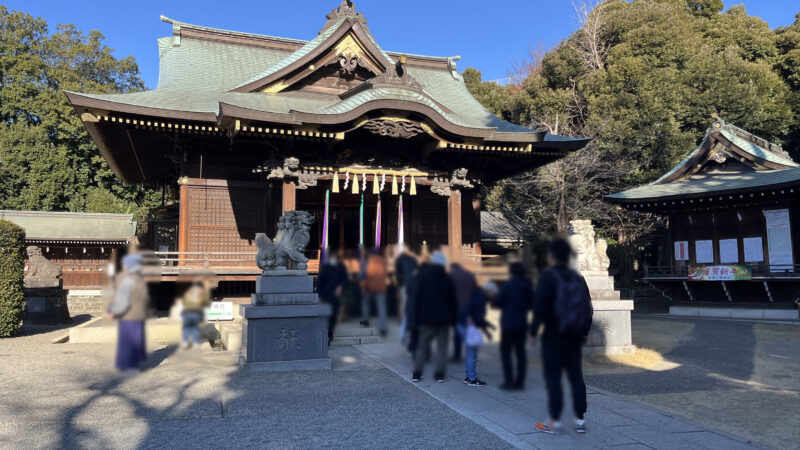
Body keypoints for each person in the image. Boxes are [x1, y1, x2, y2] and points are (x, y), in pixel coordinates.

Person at [531, 238, 593, 435]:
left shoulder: (548, 277)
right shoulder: (578, 278)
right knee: (576, 375)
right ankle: (580, 419)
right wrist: (585, 332)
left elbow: (540, 307)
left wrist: (533, 332)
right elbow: (587, 306)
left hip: (554, 334)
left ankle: (554, 421)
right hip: (574, 334)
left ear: (551, 256)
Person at [409, 251, 457, 383]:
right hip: (444, 319)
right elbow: (452, 301)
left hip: (426, 318)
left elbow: (417, 299)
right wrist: (453, 319)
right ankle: (439, 375)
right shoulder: (447, 279)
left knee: (422, 346)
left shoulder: (424, 278)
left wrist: (416, 317)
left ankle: (417, 374)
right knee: (442, 348)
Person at [494, 262, 534, 391]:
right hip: (521, 322)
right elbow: (531, 304)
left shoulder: (507, 285)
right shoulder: (528, 285)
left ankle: (509, 381)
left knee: (506, 353)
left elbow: (498, 302)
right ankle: (520, 382)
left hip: (508, 323)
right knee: (520, 353)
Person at [106, 253, 149, 373]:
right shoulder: (139, 278)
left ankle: (130, 366)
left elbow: (122, 300)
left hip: (128, 316)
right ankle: (137, 364)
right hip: (138, 314)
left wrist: (113, 312)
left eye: (125, 264)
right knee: (137, 339)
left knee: (128, 341)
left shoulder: (128, 280)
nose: (123, 266)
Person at [457, 281, 497, 387]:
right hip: (468, 327)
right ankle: (472, 380)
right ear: (489, 291)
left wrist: (487, 328)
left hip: (462, 324)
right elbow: (479, 319)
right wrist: (488, 330)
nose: (493, 295)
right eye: (493, 292)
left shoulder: (475, 294)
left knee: (469, 353)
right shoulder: (481, 299)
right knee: (472, 354)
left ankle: (468, 377)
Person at [318, 254, 349, 344]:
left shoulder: (341, 267)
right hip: (326, 295)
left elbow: (345, 280)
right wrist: (319, 295)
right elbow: (320, 281)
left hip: (336, 297)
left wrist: (341, 287)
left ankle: (330, 333)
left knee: (334, 316)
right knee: (327, 315)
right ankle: (326, 335)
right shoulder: (326, 267)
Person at [449, 262, 476, 361]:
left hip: (457, 306)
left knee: (457, 331)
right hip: (469, 306)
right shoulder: (469, 275)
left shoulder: (451, 275)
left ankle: (457, 354)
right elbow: (474, 289)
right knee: (469, 329)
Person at [360, 248, 389, 336]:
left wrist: (363, 287)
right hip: (381, 287)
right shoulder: (383, 261)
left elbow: (367, 274)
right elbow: (385, 273)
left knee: (365, 302)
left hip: (370, 286)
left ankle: (366, 320)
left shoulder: (368, 261)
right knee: (382, 307)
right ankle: (383, 328)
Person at [179, 278, 211, 349]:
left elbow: (183, 301)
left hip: (187, 312)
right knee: (195, 328)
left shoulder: (188, 292)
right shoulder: (202, 293)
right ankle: (195, 343)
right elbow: (206, 303)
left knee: (186, 327)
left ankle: (185, 342)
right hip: (196, 313)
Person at [394, 246, 418, 322]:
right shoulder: (413, 260)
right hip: (412, 284)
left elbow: (397, 273)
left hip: (404, 284)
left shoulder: (399, 260)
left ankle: (403, 320)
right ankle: (410, 319)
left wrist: (399, 282)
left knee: (404, 302)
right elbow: (416, 272)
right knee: (411, 302)